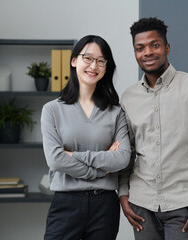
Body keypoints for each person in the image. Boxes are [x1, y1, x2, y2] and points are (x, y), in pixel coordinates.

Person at [118, 17, 188, 240]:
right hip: (141, 205)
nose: (147, 52)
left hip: (183, 203)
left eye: (154, 45)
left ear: (167, 48)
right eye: (140, 48)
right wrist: (124, 195)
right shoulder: (128, 97)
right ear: (135, 52)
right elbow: (127, 152)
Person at [41, 35, 131, 240]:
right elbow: (55, 159)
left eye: (100, 60)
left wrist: (73, 156)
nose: (94, 66)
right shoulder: (52, 110)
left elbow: (123, 158)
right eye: (88, 58)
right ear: (74, 61)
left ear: (106, 67)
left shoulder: (116, 112)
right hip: (66, 203)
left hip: (104, 206)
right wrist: (102, 168)